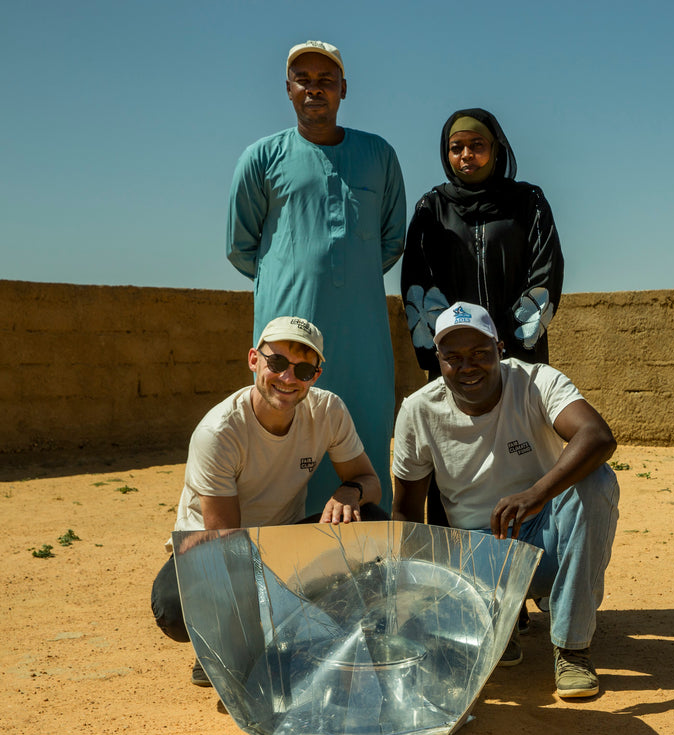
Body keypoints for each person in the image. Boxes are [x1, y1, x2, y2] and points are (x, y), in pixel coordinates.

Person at [391, 302, 619, 699]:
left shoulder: (535, 382)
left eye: (480, 354)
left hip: (546, 538)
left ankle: (572, 647)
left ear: (499, 349)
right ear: (438, 359)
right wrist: (410, 596)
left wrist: (536, 495)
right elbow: (406, 511)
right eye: (454, 357)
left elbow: (597, 436)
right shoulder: (418, 410)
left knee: (595, 481)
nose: (468, 366)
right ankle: (503, 618)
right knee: (484, 652)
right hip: (477, 557)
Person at [151, 316, 389, 686]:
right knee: (173, 607)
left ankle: (352, 633)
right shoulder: (219, 433)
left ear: (317, 375)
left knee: (371, 520)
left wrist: (349, 491)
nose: (288, 378)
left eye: (304, 370)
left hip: (281, 541)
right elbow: (226, 542)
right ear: (254, 360)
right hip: (214, 549)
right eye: (277, 363)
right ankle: (216, 644)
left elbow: (370, 482)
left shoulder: (328, 411)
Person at [227, 39, 406, 518]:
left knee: (365, 429)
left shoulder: (379, 155)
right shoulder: (261, 158)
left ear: (344, 89)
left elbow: (391, 241)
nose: (314, 89)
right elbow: (240, 246)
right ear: (287, 89)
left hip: (363, 334)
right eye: (303, 79)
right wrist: (290, 277)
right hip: (287, 330)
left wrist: (345, 278)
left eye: (326, 80)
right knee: (283, 429)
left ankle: (367, 559)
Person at [400, 108, 564, 374]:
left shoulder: (528, 202)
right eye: (457, 148)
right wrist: (459, 344)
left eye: (477, 145)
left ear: (495, 149)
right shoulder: (431, 209)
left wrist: (500, 342)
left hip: (516, 358)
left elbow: (546, 273)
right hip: (456, 361)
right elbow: (417, 282)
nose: (466, 155)